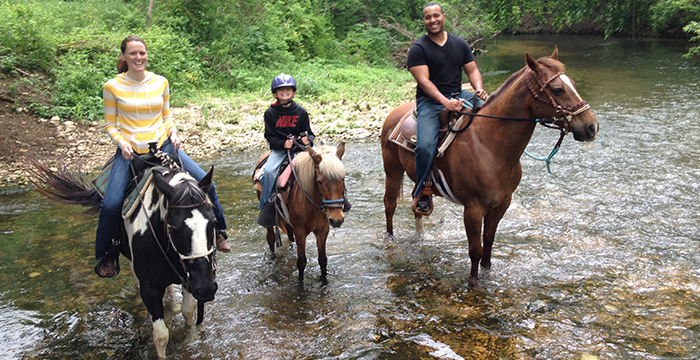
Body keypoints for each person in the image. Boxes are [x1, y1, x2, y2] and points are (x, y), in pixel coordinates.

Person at [96, 36, 230, 277]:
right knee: (111, 204)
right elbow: (110, 125)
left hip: (164, 147)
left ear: (147, 55)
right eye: (133, 53)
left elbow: (166, 117)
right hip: (131, 153)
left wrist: (174, 132)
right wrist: (122, 143)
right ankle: (108, 253)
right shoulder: (112, 86)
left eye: (142, 53)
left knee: (209, 186)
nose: (138, 58)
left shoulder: (161, 82)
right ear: (124, 56)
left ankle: (219, 232)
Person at [406, 2, 489, 215]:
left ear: (444, 17)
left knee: (494, 114)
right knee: (424, 146)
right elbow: (424, 82)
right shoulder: (418, 49)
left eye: (436, 16)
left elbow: (473, 70)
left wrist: (479, 90)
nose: (432, 20)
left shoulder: (459, 44)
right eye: (427, 17)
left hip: (459, 95)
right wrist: (445, 102)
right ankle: (423, 188)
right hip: (431, 102)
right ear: (424, 21)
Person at [257, 73, 315, 226]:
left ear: (294, 93)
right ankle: (267, 205)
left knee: (325, 167)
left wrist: (306, 139)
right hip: (280, 150)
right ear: (275, 94)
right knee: (269, 172)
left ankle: (339, 200)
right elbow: (269, 136)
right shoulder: (270, 113)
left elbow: (310, 133)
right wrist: (283, 144)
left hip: (300, 149)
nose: (284, 93)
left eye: (288, 90)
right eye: (281, 91)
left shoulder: (301, 112)